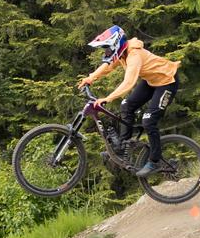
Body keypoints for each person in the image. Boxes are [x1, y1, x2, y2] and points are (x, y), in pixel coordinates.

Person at [75, 25, 181, 178]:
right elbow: (108, 66)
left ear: (116, 44)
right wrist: (91, 78)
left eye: (107, 48)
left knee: (149, 120)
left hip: (167, 82)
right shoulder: (122, 53)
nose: (106, 52)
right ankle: (122, 146)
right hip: (152, 81)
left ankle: (155, 160)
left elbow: (129, 82)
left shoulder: (134, 55)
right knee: (126, 105)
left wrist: (107, 98)